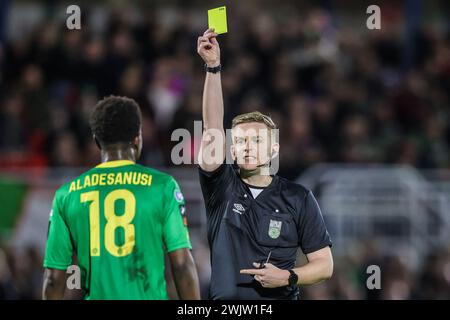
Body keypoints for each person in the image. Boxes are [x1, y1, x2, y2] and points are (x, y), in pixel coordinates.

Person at [197, 28, 333, 300]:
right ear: (232, 150)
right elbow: (212, 128)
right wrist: (213, 67)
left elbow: (325, 265)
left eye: (257, 140)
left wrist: (289, 276)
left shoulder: (299, 197)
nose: (248, 146)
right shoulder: (221, 187)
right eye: (242, 141)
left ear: (274, 149)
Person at [42, 96, 200, 300]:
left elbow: (54, 278)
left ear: (96, 140)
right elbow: (181, 265)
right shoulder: (163, 187)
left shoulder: (67, 194)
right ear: (137, 137)